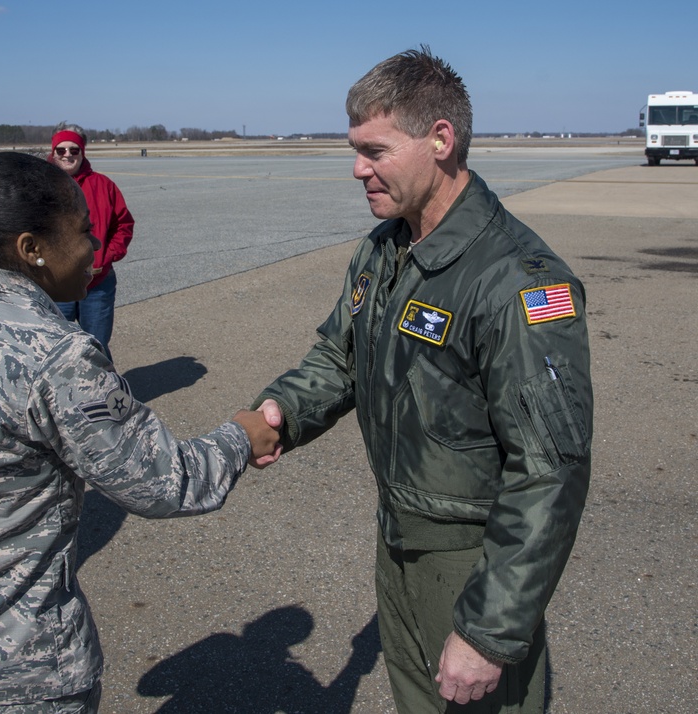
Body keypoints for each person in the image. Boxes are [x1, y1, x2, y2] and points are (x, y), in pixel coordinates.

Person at [0, 152, 279, 713]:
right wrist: (240, 437)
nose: (95, 246)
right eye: (84, 231)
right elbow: (164, 482)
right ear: (31, 249)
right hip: (16, 666)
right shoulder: (59, 354)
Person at [253, 47, 592, 713]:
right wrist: (279, 413)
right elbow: (338, 358)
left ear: (440, 140)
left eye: (375, 151)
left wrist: (489, 630)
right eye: (355, 150)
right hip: (399, 541)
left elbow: (550, 470)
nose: (358, 169)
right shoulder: (384, 251)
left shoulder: (518, 280)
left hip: (471, 560)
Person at [48, 123, 134, 361]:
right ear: (53, 152)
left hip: (97, 283)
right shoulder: (41, 186)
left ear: (82, 152)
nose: (67, 155)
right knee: (56, 348)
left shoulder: (103, 185)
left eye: (74, 150)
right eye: (61, 150)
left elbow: (124, 225)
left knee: (96, 347)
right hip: (55, 284)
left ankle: (102, 393)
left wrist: (107, 256)